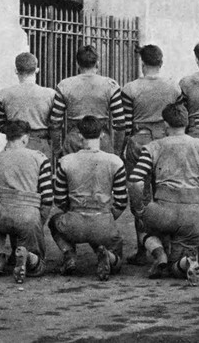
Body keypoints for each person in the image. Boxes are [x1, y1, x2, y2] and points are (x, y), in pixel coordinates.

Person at [127, 103, 199, 286]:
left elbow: (135, 181)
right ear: (186, 123)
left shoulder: (153, 147)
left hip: (162, 211)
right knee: (177, 265)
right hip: (193, 214)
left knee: (143, 228)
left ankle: (159, 254)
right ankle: (186, 262)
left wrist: (139, 210)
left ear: (165, 124)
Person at [121, 44, 181, 265]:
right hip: (166, 142)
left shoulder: (130, 88)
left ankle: (144, 249)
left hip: (140, 140)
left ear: (142, 64)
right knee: (166, 194)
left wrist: (124, 146)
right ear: (161, 63)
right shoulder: (174, 88)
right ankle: (168, 246)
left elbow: (126, 124)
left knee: (141, 196)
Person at [49, 116, 127, 281]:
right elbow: (121, 201)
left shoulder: (65, 161)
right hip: (103, 223)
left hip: (74, 222)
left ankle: (69, 254)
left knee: (54, 222)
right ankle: (108, 256)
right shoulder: (116, 162)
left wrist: (72, 212)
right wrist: (107, 217)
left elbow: (59, 199)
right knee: (118, 261)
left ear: (79, 135)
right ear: (102, 135)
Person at [0, 120, 53, 283]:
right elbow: (47, 198)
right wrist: (39, 221)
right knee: (39, 266)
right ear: (25, 138)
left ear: (7, 137)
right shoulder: (39, 158)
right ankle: (28, 257)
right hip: (28, 215)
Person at [49, 45, 125, 157]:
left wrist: (57, 150)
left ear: (77, 64)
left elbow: (55, 122)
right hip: (101, 140)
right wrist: (117, 151)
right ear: (97, 63)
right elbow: (120, 122)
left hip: (74, 140)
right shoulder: (111, 86)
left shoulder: (64, 85)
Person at [0, 52, 56, 161]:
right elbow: (55, 124)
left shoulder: (3, 94)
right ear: (37, 70)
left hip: (14, 143)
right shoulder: (51, 94)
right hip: (40, 145)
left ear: (16, 71)